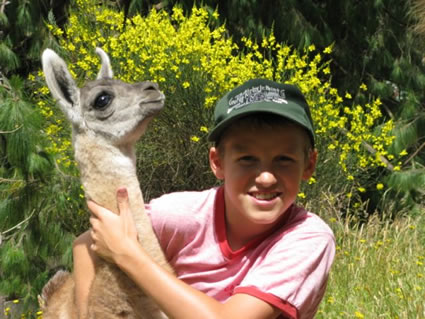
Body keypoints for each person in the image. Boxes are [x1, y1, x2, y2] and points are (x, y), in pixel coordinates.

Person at [73, 79, 336, 319]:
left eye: (284, 159)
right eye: (247, 159)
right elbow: (88, 241)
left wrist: (128, 255)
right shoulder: (183, 214)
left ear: (309, 165)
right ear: (217, 162)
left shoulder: (308, 238)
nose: (266, 177)